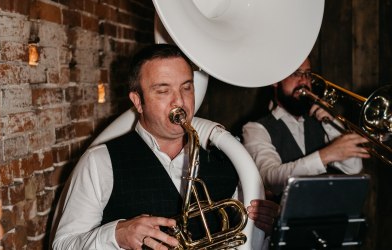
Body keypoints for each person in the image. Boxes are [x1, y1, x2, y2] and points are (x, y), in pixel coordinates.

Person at [52, 44, 279, 250]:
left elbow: (244, 238)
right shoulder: (100, 161)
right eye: (163, 91)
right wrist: (115, 234)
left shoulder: (227, 159)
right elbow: (62, 245)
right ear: (138, 101)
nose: (179, 102)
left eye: (186, 88)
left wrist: (266, 228)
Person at [242, 57, 370, 197]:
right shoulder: (255, 128)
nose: (303, 81)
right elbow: (270, 178)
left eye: (308, 74)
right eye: (295, 73)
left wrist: (331, 122)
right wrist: (325, 156)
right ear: (276, 80)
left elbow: (353, 168)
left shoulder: (321, 121)